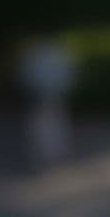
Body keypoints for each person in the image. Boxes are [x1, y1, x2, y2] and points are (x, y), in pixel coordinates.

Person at [18, 36, 77, 170]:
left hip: (48, 94)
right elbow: (68, 74)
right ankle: (48, 154)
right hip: (47, 94)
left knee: (49, 124)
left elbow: (28, 75)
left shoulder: (42, 55)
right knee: (49, 124)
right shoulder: (52, 55)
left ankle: (51, 154)